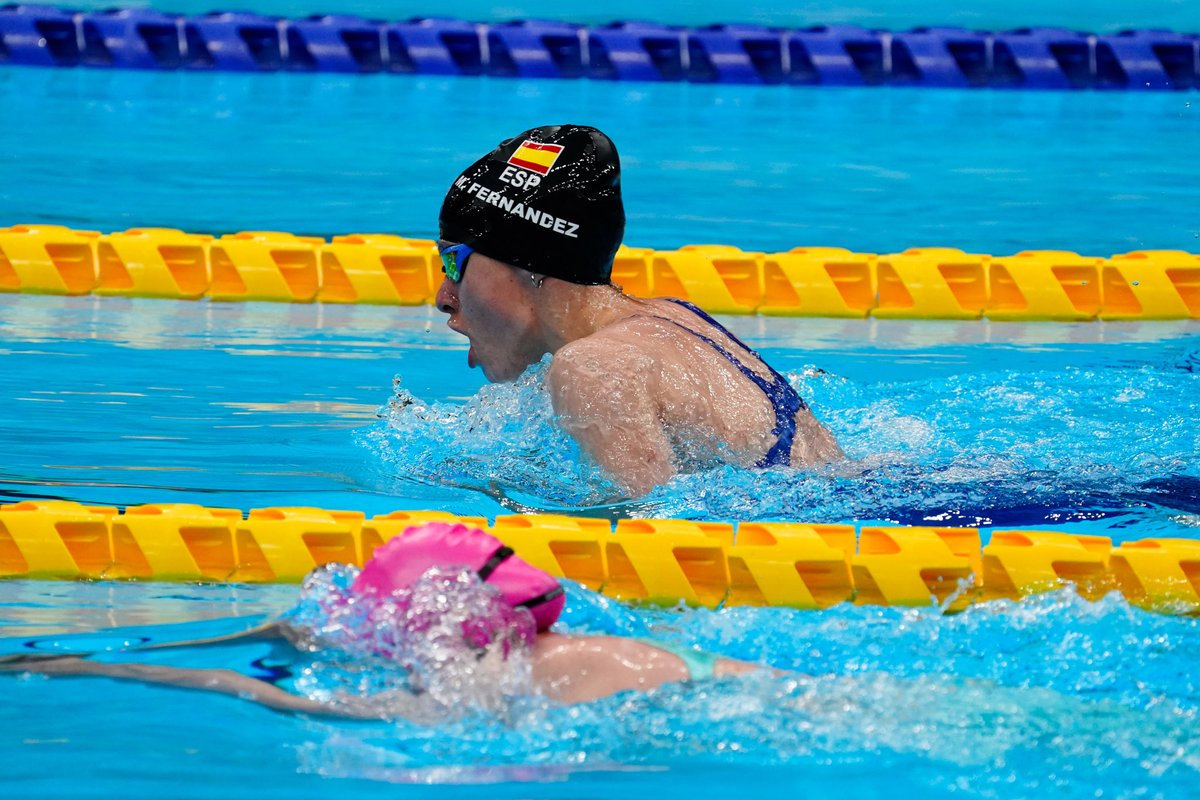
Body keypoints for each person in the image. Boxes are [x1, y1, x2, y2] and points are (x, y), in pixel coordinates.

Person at [435, 124, 842, 497]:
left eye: (452, 262)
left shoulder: (592, 368)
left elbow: (651, 540)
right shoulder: (675, 316)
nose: (443, 296)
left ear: (529, 263)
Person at [0, 523, 762, 720]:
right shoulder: (551, 650)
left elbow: (274, 697)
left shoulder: (479, 688)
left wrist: (95, 666)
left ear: (451, 621)